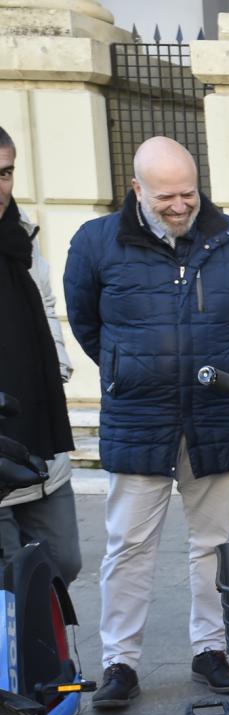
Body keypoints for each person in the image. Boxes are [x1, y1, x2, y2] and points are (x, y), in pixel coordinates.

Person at [63, 136, 229, 711]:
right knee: (128, 544)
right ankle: (119, 662)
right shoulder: (96, 242)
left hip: (217, 411)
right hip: (138, 413)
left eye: (189, 192)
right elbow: (86, 322)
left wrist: (227, 367)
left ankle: (211, 650)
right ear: (136, 190)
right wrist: (130, 368)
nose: (180, 206)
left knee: (215, 543)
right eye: (166, 197)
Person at [0, 125, 79, 585]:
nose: (1, 186)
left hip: (40, 434)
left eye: (6, 172)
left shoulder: (22, 237)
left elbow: (48, 307)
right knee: (12, 580)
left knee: (62, 561)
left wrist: (58, 369)